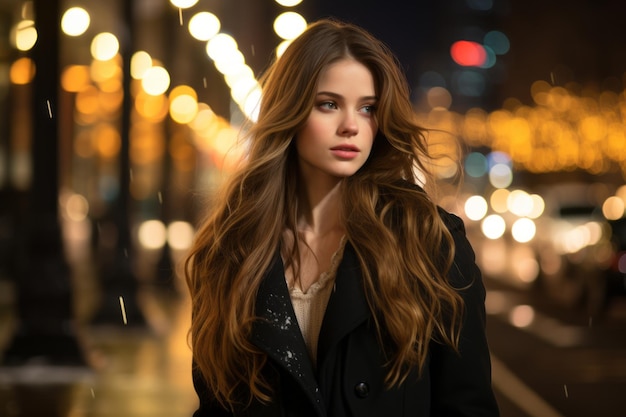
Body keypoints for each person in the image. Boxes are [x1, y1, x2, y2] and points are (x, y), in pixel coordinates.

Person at [184, 18, 500, 417]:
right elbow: (216, 404)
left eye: (368, 108)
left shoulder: (428, 241)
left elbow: (466, 406)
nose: (351, 126)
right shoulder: (232, 248)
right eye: (329, 104)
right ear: (291, 111)